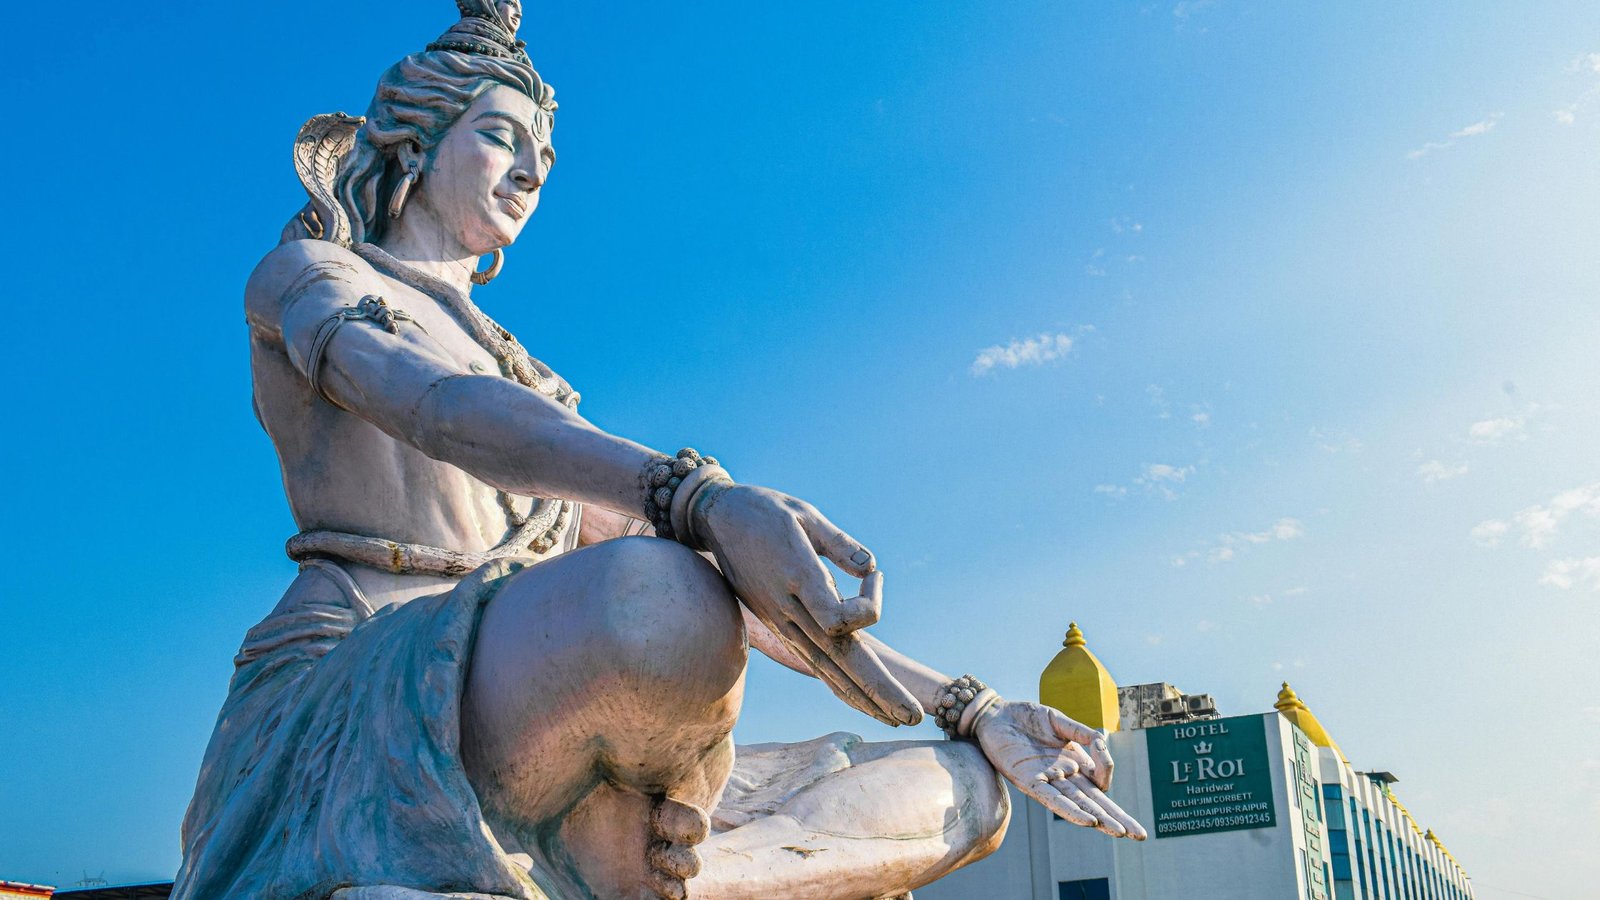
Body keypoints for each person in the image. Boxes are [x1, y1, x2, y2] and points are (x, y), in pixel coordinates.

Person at [174, 3, 1145, 898]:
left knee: (971, 794)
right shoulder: (312, 275)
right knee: (662, 599)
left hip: (553, 705)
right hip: (367, 685)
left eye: (544, 158)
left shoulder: (532, 379)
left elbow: (763, 599)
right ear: (412, 143)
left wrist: (975, 710)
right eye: (502, 138)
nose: (529, 172)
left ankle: (664, 879)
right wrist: (697, 499)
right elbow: (436, 407)